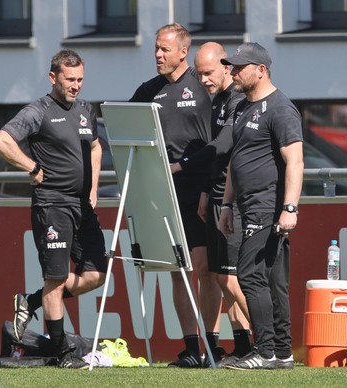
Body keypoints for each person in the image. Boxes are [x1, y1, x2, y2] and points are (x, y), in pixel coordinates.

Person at [0, 49, 107, 369]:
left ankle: (30, 302)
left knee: (96, 275)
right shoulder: (38, 111)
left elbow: (95, 146)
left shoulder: (86, 109)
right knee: (56, 279)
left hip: (82, 205)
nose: (76, 86)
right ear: (53, 78)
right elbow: (2, 141)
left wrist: (94, 186)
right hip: (52, 204)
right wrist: (31, 166)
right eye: (70, 80)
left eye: (80, 79)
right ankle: (62, 354)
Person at [129, 23, 221, 367]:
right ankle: (192, 348)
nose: (158, 55)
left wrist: (211, 187)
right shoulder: (147, 91)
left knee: (205, 267)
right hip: (162, 190)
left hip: (200, 188)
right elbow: (125, 129)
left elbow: (220, 140)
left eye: (165, 49)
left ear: (184, 52)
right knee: (176, 269)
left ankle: (213, 344)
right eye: (156, 48)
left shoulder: (204, 84)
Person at [218, 42, 304, 370]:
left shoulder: (280, 108)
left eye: (239, 67)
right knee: (272, 281)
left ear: (261, 70)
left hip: (268, 205)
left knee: (249, 274)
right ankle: (282, 352)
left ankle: (265, 350)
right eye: (232, 66)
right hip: (246, 205)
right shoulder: (241, 106)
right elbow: (235, 160)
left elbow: (294, 161)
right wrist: (227, 204)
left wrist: (290, 208)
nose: (233, 72)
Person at [172, 41, 253, 367]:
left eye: (208, 73)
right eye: (199, 73)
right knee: (221, 277)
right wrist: (207, 191)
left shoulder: (237, 100)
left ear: (226, 68)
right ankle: (245, 346)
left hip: (236, 200)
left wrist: (182, 165)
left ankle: (271, 342)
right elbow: (216, 157)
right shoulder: (218, 100)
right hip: (218, 198)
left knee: (231, 279)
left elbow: (222, 146)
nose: (202, 79)